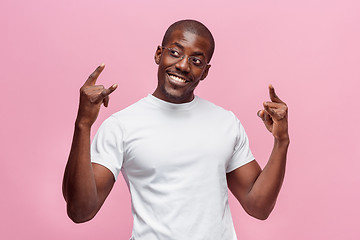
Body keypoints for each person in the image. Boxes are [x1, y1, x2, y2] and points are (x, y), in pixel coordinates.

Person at [62, 19, 289, 240]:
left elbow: (258, 207)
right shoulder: (122, 125)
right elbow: (80, 211)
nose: (183, 65)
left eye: (196, 61)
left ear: (206, 72)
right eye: (175, 53)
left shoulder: (225, 122)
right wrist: (83, 124)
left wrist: (281, 142)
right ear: (159, 54)